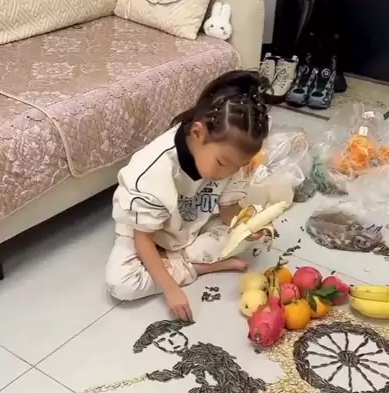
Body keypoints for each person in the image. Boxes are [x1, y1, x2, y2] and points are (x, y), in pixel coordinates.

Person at [105, 70, 275, 321]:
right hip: (146, 232)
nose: (229, 172)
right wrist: (171, 290)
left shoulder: (228, 160)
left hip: (191, 224)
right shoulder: (151, 172)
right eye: (222, 163)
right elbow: (144, 239)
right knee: (121, 284)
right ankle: (198, 266)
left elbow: (228, 210)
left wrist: (245, 226)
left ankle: (184, 262)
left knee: (250, 237)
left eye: (237, 166)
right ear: (197, 133)